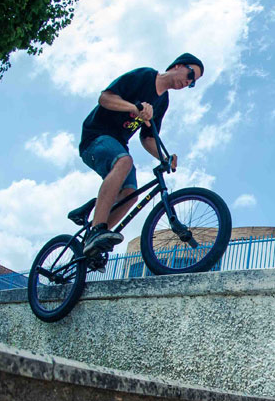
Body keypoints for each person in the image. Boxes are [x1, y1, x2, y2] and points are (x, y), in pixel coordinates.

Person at [78, 53, 204, 256]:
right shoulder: (145, 76)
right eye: (190, 74)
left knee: (130, 195)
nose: (188, 82)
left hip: (118, 144)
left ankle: (91, 247)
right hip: (96, 137)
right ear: (178, 65)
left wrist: (165, 157)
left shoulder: (163, 102)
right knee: (124, 161)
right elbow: (105, 98)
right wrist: (134, 108)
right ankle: (96, 230)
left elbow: (147, 138)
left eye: (192, 83)